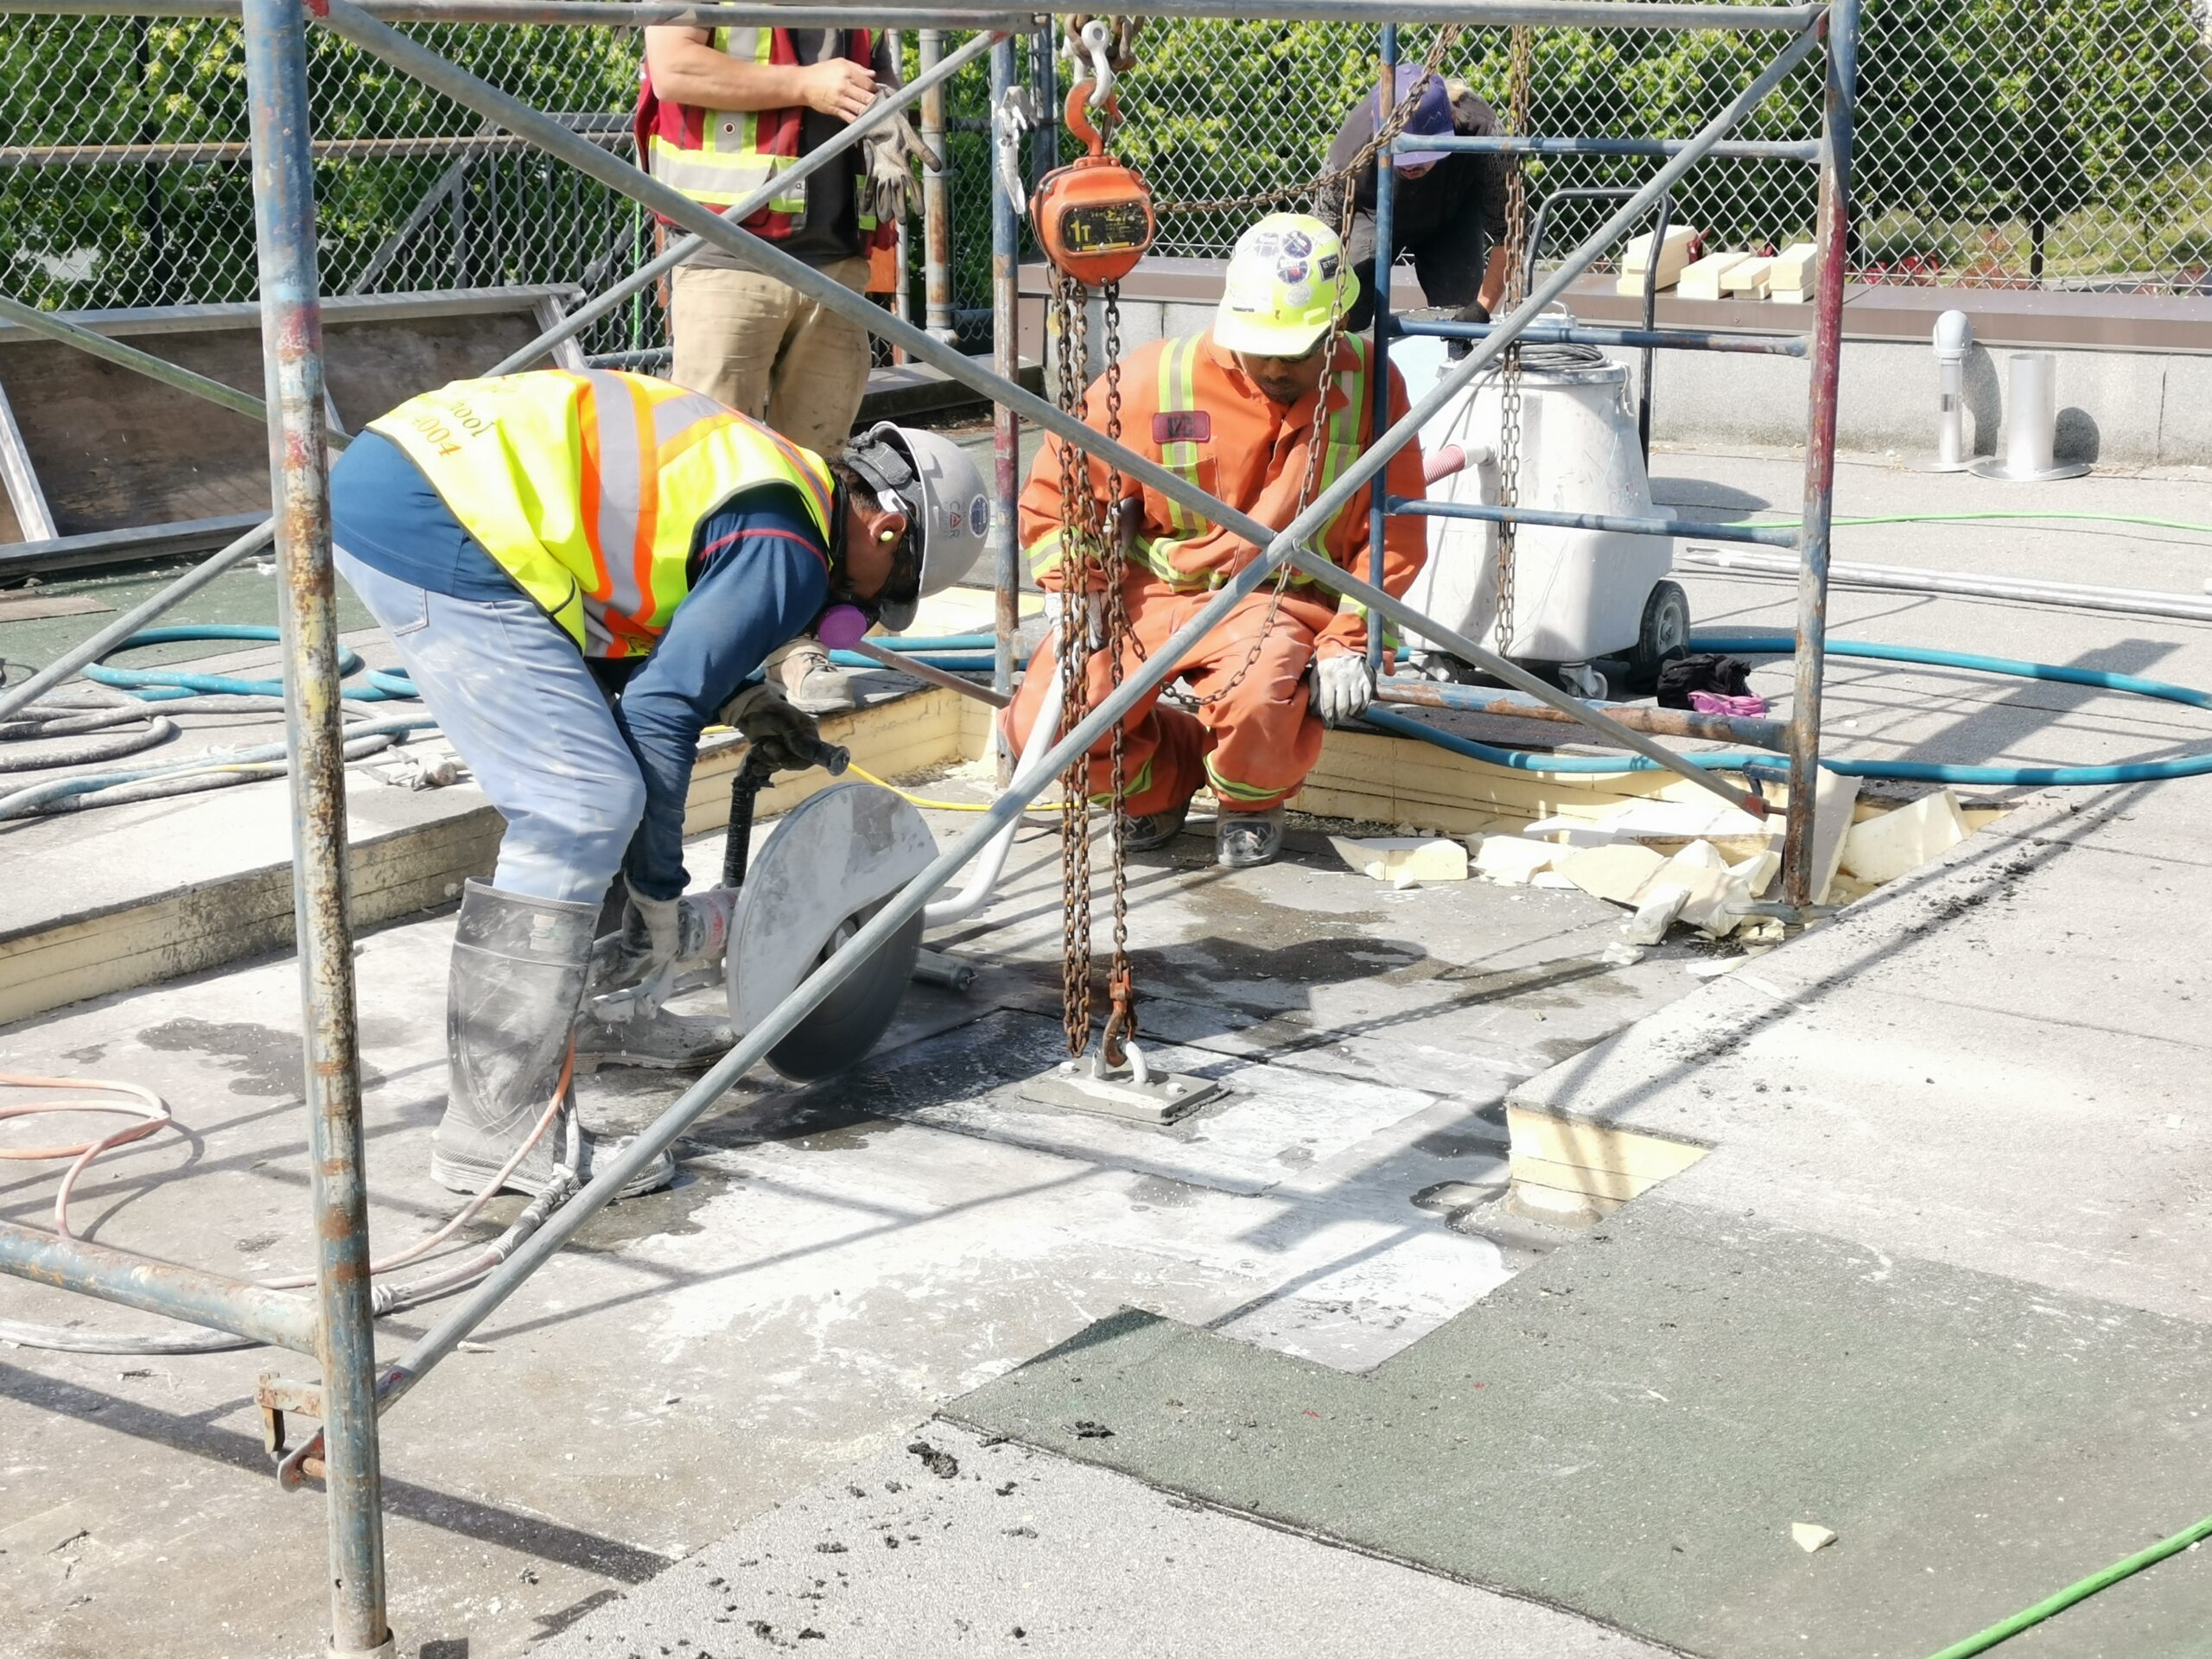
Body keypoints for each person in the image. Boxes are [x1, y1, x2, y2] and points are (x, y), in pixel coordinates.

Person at [330, 369, 988, 1199]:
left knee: (602, 765)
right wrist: (659, 899)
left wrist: (738, 696)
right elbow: (658, 711)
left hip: (429, 479)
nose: (849, 614)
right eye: (875, 598)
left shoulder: (786, 492)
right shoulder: (790, 546)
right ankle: (496, 1126)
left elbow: (648, 629)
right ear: (886, 530)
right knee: (581, 804)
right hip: (438, 512)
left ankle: (611, 1011)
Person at [1001, 213, 1427, 871]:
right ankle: (1160, 786)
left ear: (1337, 326)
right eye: (1262, 349)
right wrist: (1072, 588)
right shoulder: (1156, 378)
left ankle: (1250, 805)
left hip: (1277, 598)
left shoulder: (1373, 386)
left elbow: (1393, 527)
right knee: (1048, 724)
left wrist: (1354, 635)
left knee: (1261, 697)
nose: (1277, 367)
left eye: (1296, 352)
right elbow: (1063, 482)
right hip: (1153, 591)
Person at [635, 22, 920, 715]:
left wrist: (886, 113)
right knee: (704, 470)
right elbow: (673, 68)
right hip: (726, 245)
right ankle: (688, 657)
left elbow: (874, 72)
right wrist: (805, 84)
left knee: (815, 474)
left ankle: (794, 644)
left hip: (836, 258)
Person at [1315, 65, 1511, 338]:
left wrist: (1482, 307)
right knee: (1350, 306)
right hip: (1374, 215)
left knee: (1460, 314)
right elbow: (1320, 235)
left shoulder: (1482, 130)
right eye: (1403, 156)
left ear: (1451, 120)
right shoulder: (1351, 147)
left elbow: (1509, 232)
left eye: (1422, 156)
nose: (1411, 167)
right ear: (1376, 125)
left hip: (1452, 215)